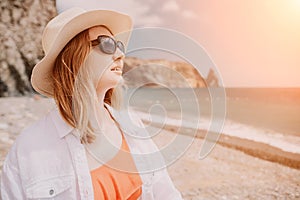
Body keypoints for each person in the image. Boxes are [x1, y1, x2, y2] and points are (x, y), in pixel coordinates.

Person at [0, 7, 183, 200]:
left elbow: (166, 193)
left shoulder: (133, 126)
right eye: (107, 44)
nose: (120, 54)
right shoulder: (29, 148)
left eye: (119, 45)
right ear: (74, 57)